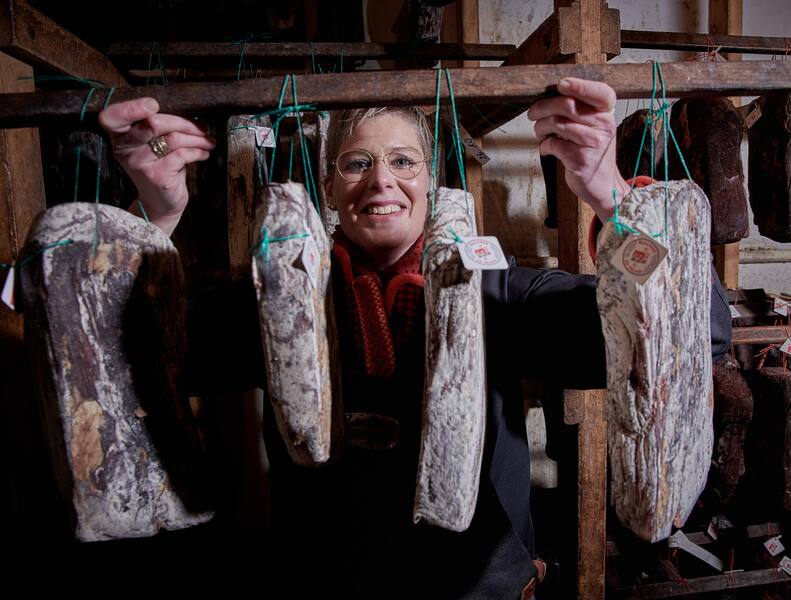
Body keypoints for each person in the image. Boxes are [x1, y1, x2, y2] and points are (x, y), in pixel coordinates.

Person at [98, 77, 732, 599]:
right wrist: (156, 212)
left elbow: (693, 333)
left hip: (477, 584)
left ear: (430, 184)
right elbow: (125, 356)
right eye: (357, 163)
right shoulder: (274, 296)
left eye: (403, 162)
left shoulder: (503, 293)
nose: (381, 181)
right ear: (327, 188)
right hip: (325, 582)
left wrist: (614, 199)